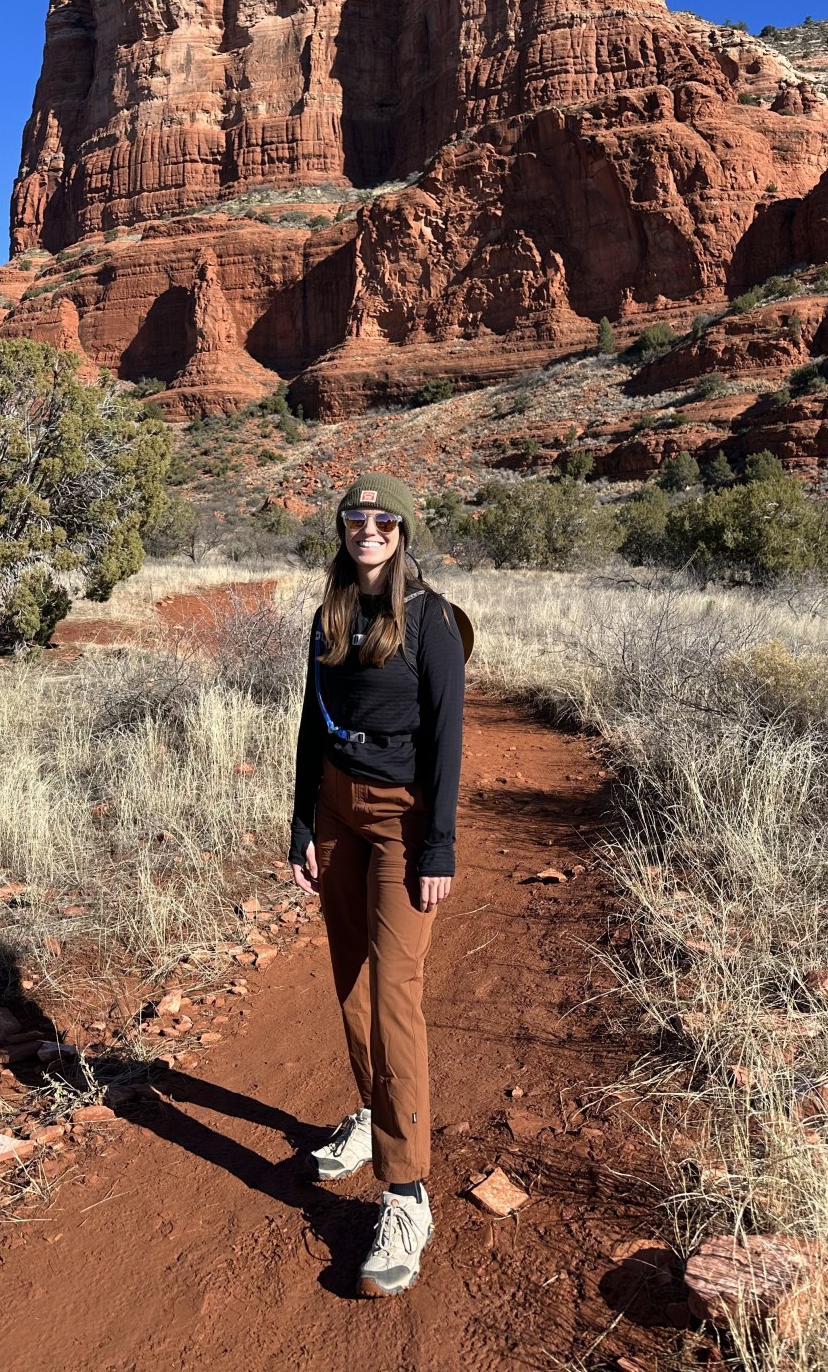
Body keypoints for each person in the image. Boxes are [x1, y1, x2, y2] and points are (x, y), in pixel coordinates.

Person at [288, 471, 465, 1298]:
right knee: (351, 984)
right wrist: (299, 825)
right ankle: (371, 1114)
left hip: (402, 820)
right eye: (355, 519)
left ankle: (407, 1191)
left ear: (403, 531)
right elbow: (307, 723)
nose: (367, 530)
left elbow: (449, 738)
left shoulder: (429, 619)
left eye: (382, 520)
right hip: (334, 812)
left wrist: (438, 846)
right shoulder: (327, 615)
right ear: (342, 530)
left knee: (395, 992)